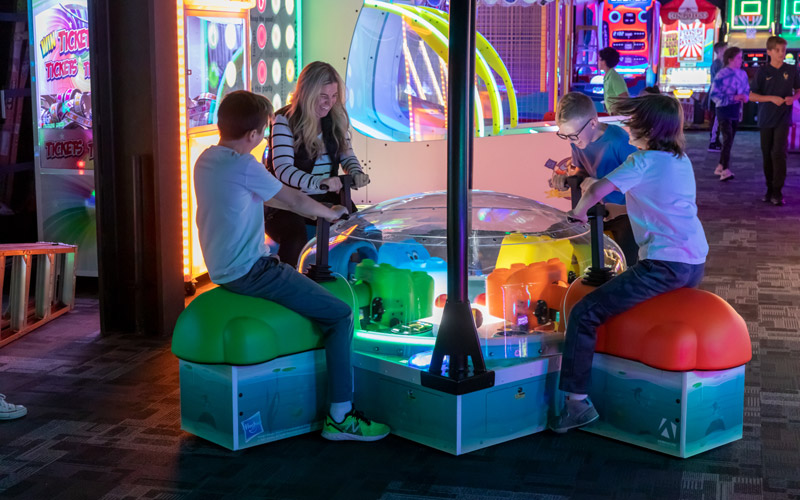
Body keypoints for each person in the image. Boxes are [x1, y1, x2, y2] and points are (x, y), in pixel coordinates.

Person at [194, 90, 389, 441]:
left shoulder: (207, 160)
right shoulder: (244, 165)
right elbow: (292, 198)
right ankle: (341, 416)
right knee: (340, 314)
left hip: (221, 269)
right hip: (252, 271)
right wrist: (332, 212)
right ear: (254, 136)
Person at [550, 94, 708, 433]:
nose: (625, 127)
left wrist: (574, 214)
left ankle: (576, 403)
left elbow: (596, 192)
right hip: (693, 261)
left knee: (584, 312)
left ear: (647, 129)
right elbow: (645, 201)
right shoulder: (679, 160)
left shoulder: (642, 161)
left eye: (632, 121)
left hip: (663, 265)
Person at [265, 61, 370, 266]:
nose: (328, 103)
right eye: (323, 96)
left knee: (367, 233)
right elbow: (283, 171)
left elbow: (347, 155)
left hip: (324, 197)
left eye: (333, 97)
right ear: (307, 93)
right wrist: (320, 181)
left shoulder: (336, 118)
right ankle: (291, 287)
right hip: (285, 204)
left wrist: (356, 172)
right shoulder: (284, 120)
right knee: (296, 240)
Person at [553, 92, 639, 265]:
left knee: (623, 264)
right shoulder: (577, 142)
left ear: (593, 122)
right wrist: (567, 179)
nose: (570, 140)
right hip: (594, 210)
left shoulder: (620, 142)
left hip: (624, 212)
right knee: (571, 249)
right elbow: (582, 170)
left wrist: (602, 184)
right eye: (565, 135)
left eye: (573, 135)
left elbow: (639, 183)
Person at [749, 36, 800, 206]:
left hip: (783, 118)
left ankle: (777, 191)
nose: (781, 54)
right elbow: (752, 95)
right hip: (766, 118)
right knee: (766, 153)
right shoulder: (763, 72)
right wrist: (771, 98)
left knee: (779, 153)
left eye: (783, 51)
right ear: (769, 52)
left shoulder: (792, 70)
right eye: (777, 50)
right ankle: (769, 188)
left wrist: (793, 97)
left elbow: (798, 89)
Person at [709, 46, 750, 181]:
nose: (740, 60)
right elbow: (714, 95)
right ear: (730, 59)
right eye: (738, 58)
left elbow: (746, 90)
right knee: (727, 138)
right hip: (724, 109)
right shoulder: (722, 74)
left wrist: (744, 97)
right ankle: (725, 169)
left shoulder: (742, 74)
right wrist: (733, 98)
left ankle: (721, 165)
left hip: (736, 110)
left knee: (730, 139)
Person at [708, 41, 728, 152]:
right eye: (726, 49)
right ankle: (713, 141)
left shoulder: (721, 63)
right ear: (720, 51)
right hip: (717, 95)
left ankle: (715, 140)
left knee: (719, 118)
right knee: (716, 118)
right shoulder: (717, 64)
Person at [598, 47, 629, 114]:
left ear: (605, 62)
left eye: (600, 59)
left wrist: (615, 111)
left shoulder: (614, 77)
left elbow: (624, 97)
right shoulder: (608, 76)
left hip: (618, 117)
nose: (598, 62)